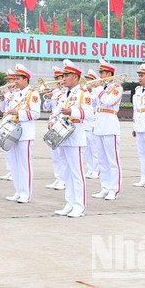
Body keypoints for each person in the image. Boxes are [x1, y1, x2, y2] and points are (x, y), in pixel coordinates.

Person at [52, 60, 93, 218]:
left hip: (75, 136)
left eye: (67, 75)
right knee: (66, 172)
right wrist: (52, 121)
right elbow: (57, 111)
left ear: (75, 77)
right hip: (63, 136)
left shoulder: (83, 94)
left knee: (77, 173)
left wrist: (72, 111)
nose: (64, 78)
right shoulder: (64, 95)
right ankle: (69, 203)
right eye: (63, 75)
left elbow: (89, 113)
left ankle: (79, 205)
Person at [2, 64, 40, 204]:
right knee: (14, 164)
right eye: (15, 79)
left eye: (18, 79)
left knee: (24, 165)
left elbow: (36, 113)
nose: (15, 81)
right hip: (13, 131)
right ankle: (18, 191)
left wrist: (18, 113)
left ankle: (26, 193)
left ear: (26, 79)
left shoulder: (33, 94)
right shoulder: (15, 94)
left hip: (25, 134)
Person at [91, 59, 123, 201]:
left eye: (103, 73)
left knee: (112, 160)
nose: (101, 75)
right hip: (99, 125)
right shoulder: (101, 88)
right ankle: (105, 187)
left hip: (110, 125)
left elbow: (108, 101)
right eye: (100, 73)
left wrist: (97, 88)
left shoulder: (117, 87)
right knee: (102, 160)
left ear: (109, 73)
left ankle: (114, 189)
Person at [43, 67, 67, 189]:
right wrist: (48, 97)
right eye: (55, 79)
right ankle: (58, 178)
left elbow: (62, 111)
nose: (55, 82)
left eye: (58, 78)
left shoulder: (63, 94)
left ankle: (63, 180)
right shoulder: (54, 94)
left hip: (59, 125)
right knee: (55, 155)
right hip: (52, 123)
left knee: (61, 154)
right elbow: (47, 108)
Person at [82, 69, 100, 179]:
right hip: (85, 124)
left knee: (94, 149)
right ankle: (90, 168)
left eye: (89, 81)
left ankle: (96, 170)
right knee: (86, 150)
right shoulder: (84, 94)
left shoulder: (96, 94)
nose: (87, 83)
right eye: (86, 80)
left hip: (93, 124)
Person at [0, 69, 17, 181]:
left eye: (10, 80)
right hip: (6, 121)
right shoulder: (8, 93)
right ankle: (9, 170)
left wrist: (7, 94)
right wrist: (2, 98)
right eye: (8, 80)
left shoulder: (16, 93)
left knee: (12, 149)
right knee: (5, 148)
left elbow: (13, 107)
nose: (8, 82)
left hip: (13, 122)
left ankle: (13, 171)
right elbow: (2, 109)